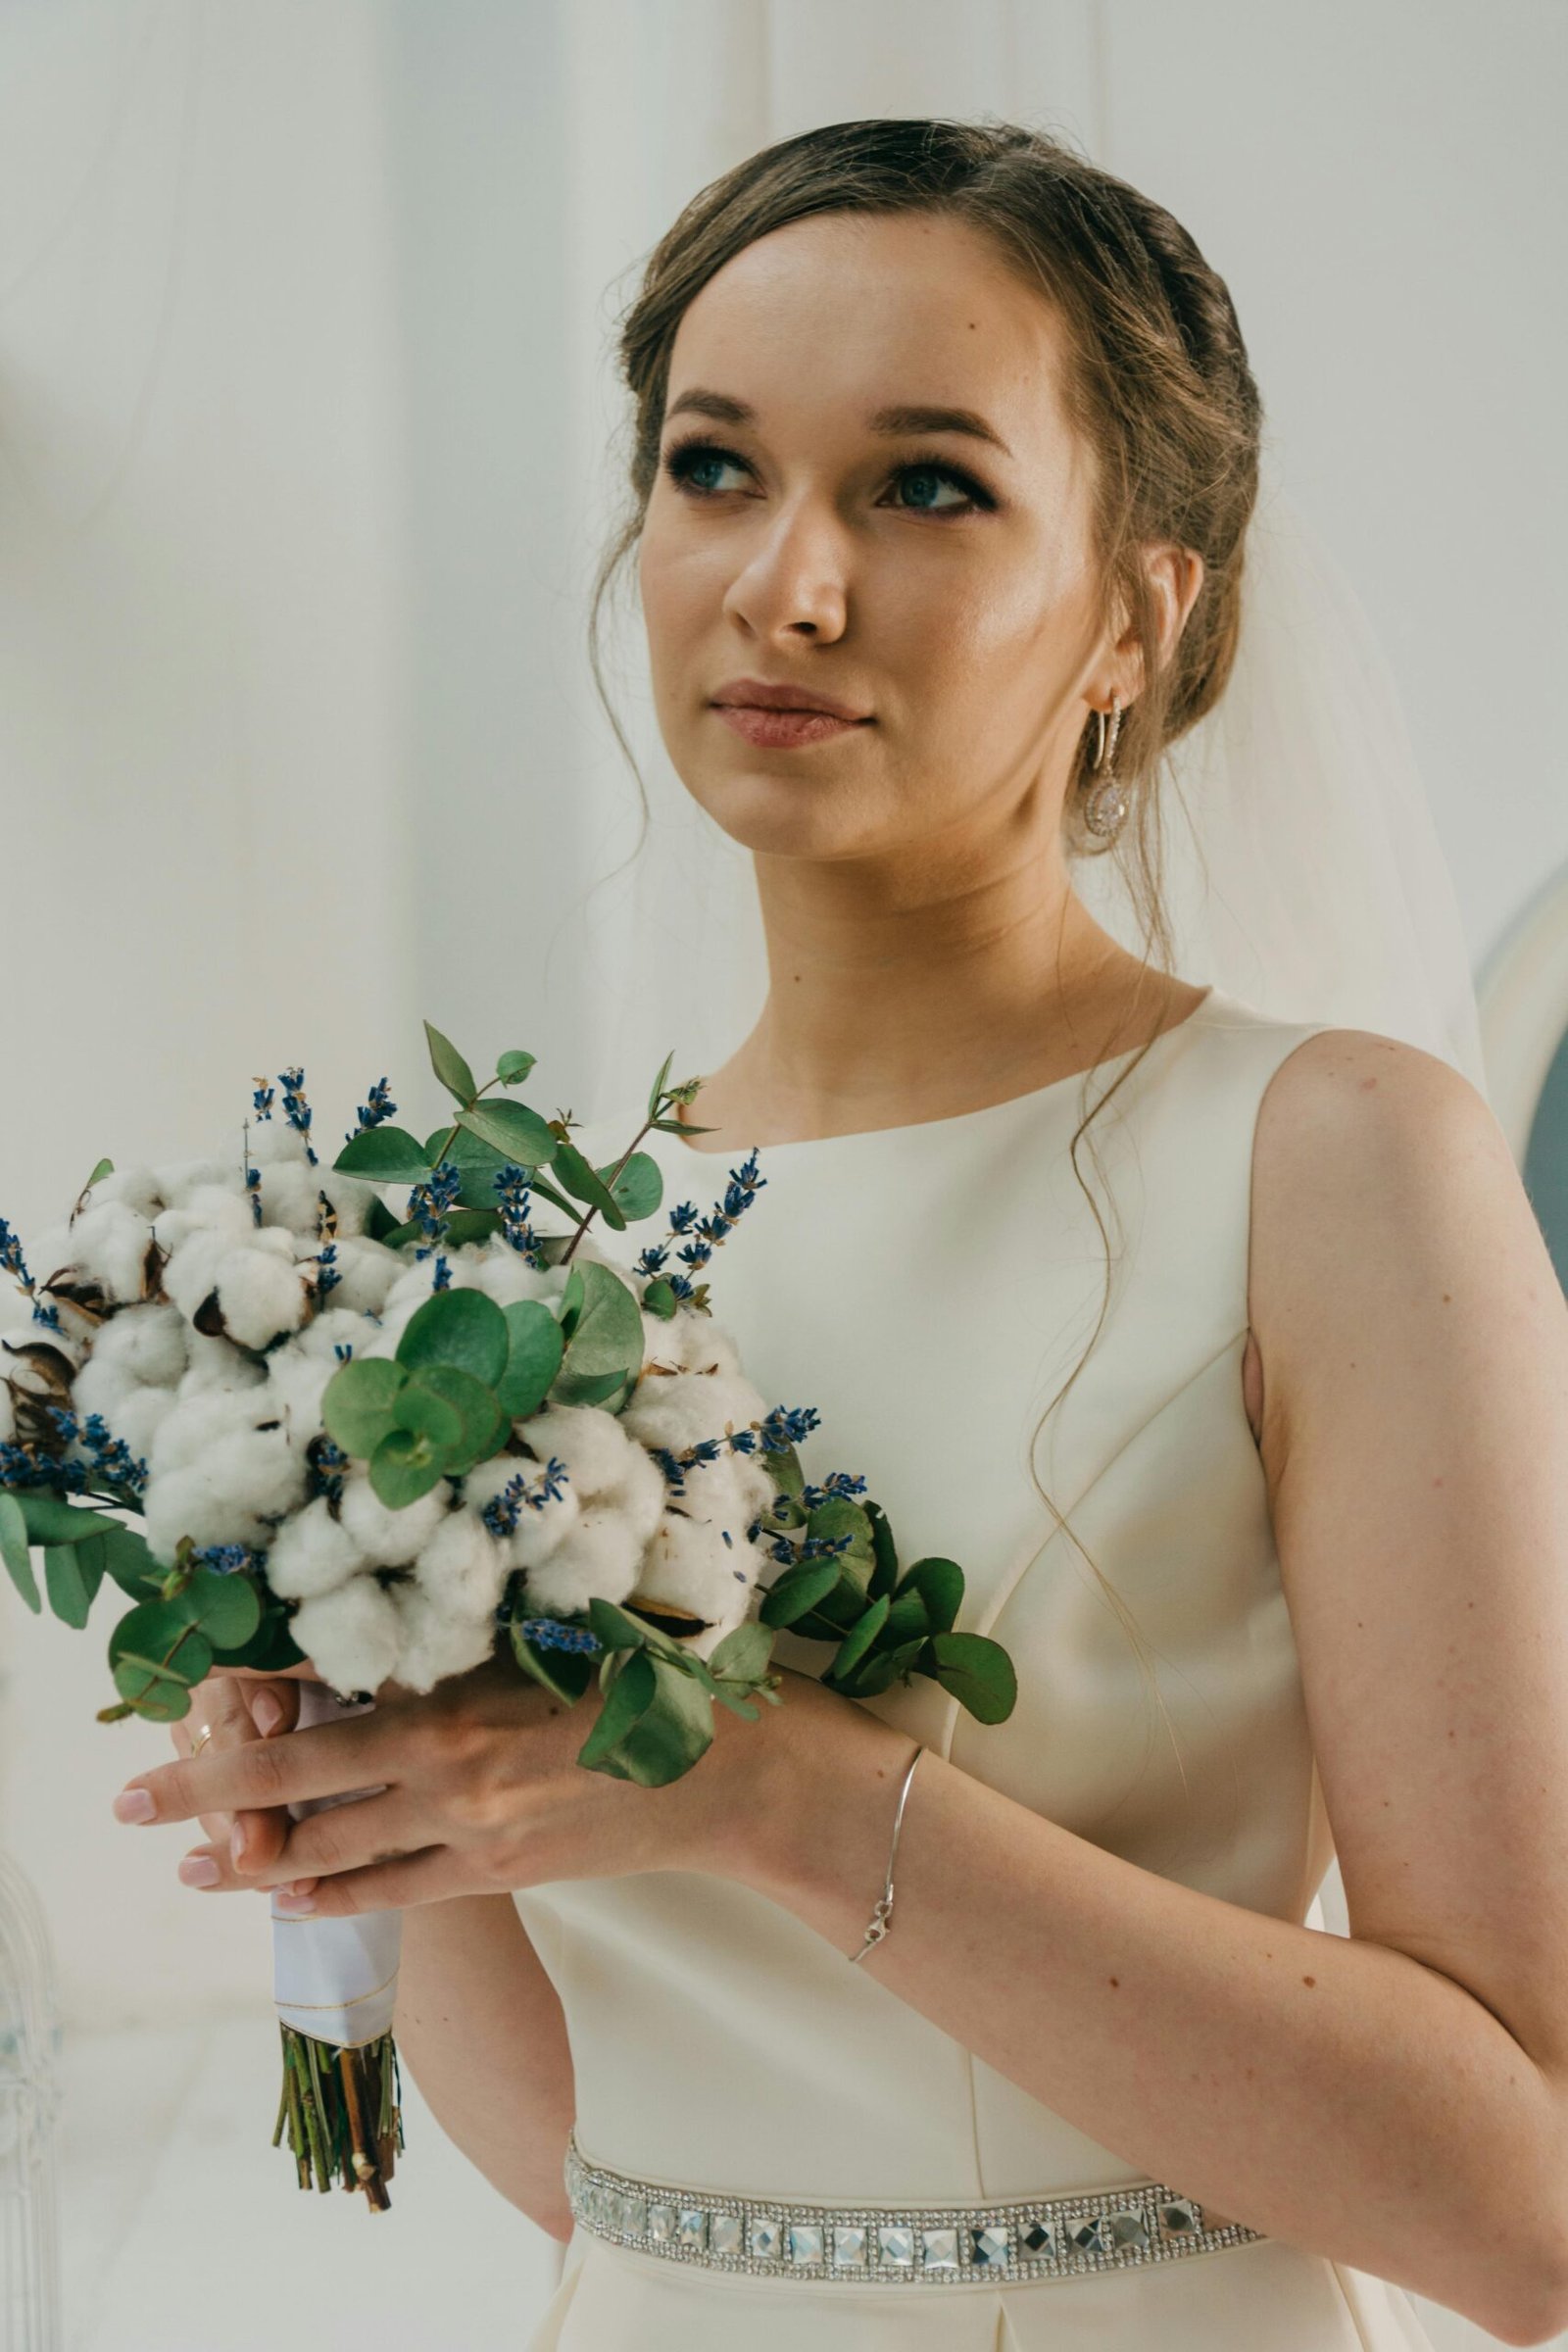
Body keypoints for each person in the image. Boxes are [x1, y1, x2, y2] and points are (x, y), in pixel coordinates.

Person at [125, 120, 1567, 2348]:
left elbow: (1527, 2205)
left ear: (1135, 612)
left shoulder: (1326, 1161)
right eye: (714, 468)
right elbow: (609, 2168)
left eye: (923, 487)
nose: (782, 584)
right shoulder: (521, 1258)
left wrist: (778, 1797)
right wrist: (365, 1794)